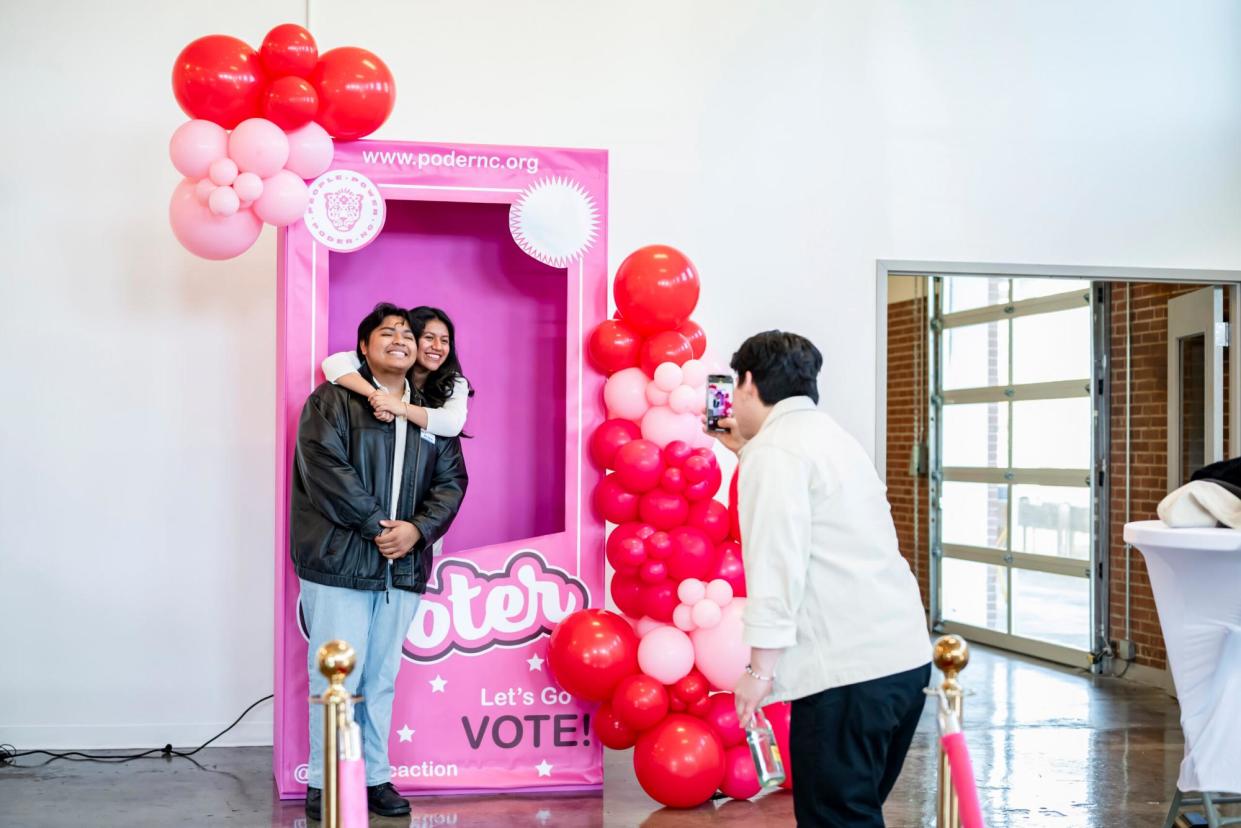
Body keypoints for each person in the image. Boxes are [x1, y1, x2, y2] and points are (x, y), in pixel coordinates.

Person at [709, 330, 930, 828]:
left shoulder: (776, 454)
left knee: (836, 818)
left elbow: (776, 568)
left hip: (847, 674)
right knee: (856, 809)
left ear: (746, 383)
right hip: (902, 661)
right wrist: (746, 452)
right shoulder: (830, 437)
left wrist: (758, 672)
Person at [291, 303, 468, 820]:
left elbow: (451, 483)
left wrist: (417, 531)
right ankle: (326, 781)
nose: (400, 339)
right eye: (385, 332)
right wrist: (378, 527)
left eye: (406, 334)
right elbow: (325, 470)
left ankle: (373, 777)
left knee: (382, 677)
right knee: (336, 677)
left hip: (404, 567)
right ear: (363, 348)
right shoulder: (331, 402)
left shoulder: (430, 413)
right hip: (340, 561)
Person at [321, 305, 473, 437]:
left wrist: (399, 407)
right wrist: (377, 395)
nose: (438, 347)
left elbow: (452, 423)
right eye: (428, 337)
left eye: (445, 341)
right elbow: (333, 364)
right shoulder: (391, 361)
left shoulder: (454, 382)